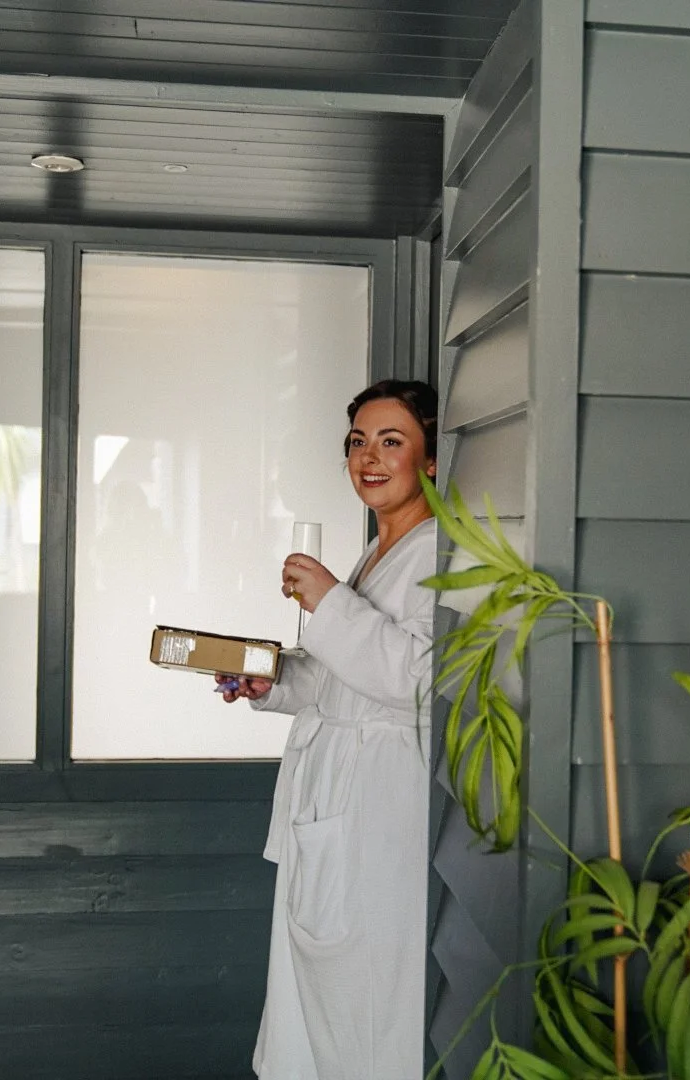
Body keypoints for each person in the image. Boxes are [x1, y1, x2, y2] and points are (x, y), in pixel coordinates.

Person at [218, 379, 439, 1080]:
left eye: (391, 441)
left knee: (369, 998)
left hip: (379, 802)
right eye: (357, 442)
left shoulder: (444, 555)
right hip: (332, 792)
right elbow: (344, 677)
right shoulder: (376, 552)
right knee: (319, 993)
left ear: (431, 459)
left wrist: (330, 602)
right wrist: (275, 679)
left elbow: (423, 682)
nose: (369, 458)